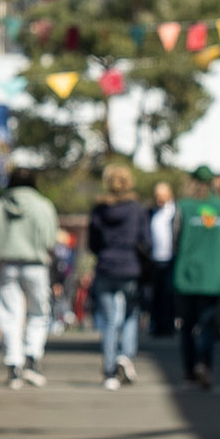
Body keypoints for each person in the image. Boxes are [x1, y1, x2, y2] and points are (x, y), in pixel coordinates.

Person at [0, 168, 60, 389]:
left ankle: (13, 365)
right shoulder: (43, 205)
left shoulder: (0, 205)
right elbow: (50, 238)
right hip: (36, 265)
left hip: (6, 264)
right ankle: (32, 358)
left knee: (10, 314)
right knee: (39, 312)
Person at [171, 166, 220, 390]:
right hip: (214, 276)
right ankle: (205, 363)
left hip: (188, 275)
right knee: (208, 325)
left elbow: (175, 238)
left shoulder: (183, 207)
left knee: (187, 326)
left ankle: (190, 371)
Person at [87, 165, 147, 391]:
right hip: (129, 267)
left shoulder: (100, 209)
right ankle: (126, 355)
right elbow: (146, 240)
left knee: (110, 321)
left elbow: (93, 242)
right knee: (131, 313)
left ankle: (109, 370)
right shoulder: (136, 209)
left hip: (105, 266)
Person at [145, 182, 179, 337]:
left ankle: (167, 325)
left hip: (170, 258)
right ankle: (156, 324)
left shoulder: (175, 211)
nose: (158, 199)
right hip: (154, 258)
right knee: (155, 294)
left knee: (168, 294)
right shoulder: (151, 212)